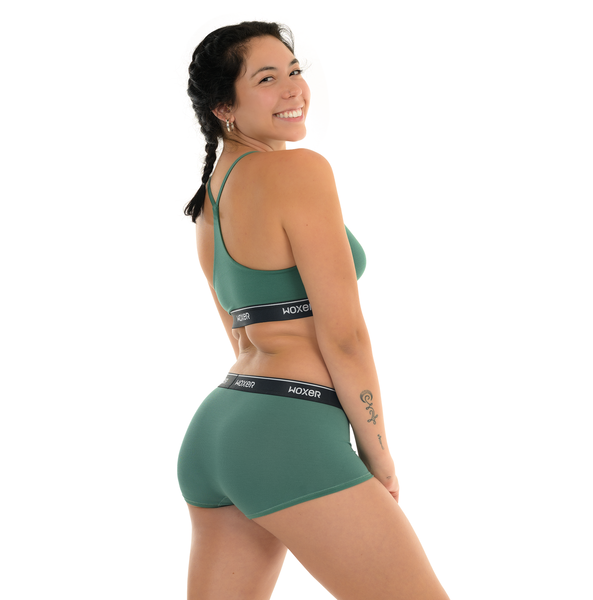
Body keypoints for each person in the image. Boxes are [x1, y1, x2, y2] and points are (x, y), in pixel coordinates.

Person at [177, 21, 450, 600]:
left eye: (294, 71)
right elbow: (344, 335)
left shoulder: (210, 200)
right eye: (266, 79)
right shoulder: (298, 171)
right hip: (288, 428)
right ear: (224, 106)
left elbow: (240, 333)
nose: (293, 89)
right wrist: (378, 456)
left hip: (219, 429)